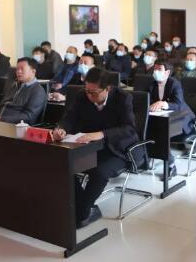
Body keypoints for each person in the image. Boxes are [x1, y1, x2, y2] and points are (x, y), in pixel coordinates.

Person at [51, 68, 142, 228]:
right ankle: (84, 209)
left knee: (99, 172)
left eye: (94, 92)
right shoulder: (82, 96)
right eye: (87, 91)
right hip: (90, 148)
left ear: (107, 89)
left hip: (117, 150)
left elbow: (129, 129)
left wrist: (102, 134)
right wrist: (61, 129)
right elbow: (69, 118)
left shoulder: (122, 98)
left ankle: (82, 212)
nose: (90, 96)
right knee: (64, 165)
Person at [148, 60, 195, 177]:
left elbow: (178, 104)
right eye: (155, 69)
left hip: (182, 120)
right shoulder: (152, 84)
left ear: (167, 72)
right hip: (162, 118)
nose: (156, 71)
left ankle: (171, 165)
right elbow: (147, 100)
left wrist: (163, 103)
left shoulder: (174, 84)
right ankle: (146, 156)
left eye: (159, 69)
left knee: (160, 132)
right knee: (150, 128)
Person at [0, 57, 46, 124]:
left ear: (33, 71)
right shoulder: (15, 86)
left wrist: (2, 119)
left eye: (22, 69)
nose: (18, 71)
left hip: (14, 126)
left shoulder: (38, 91)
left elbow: (29, 117)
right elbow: (2, 104)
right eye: (17, 69)